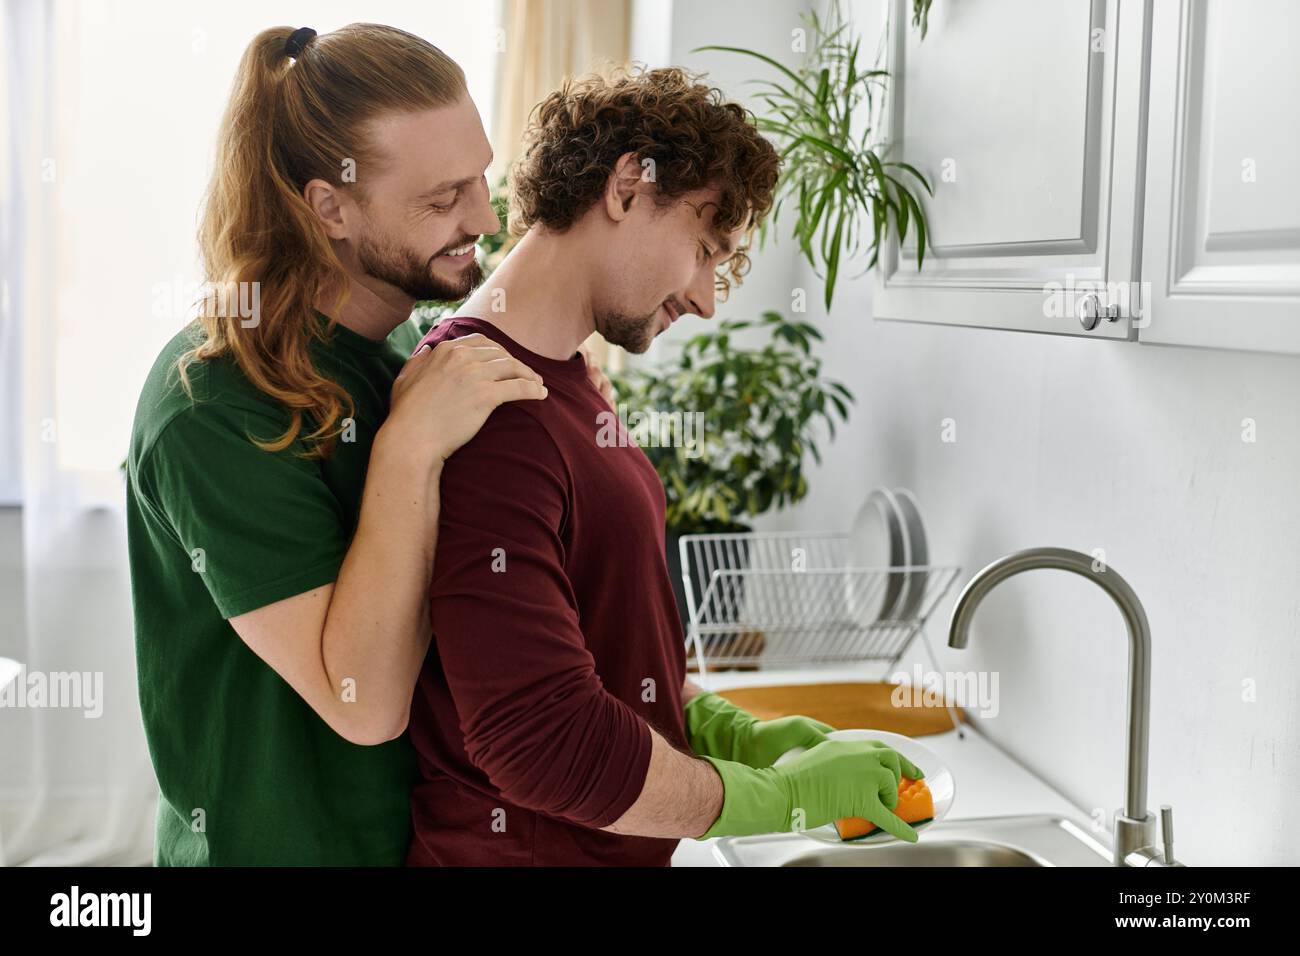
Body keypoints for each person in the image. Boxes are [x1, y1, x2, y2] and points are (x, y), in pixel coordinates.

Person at [406, 67, 923, 866]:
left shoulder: (561, 375)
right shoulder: (484, 405)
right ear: (626, 187)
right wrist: (781, 799)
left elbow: (600, 646)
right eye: (706, 247)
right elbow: (539, 740)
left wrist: (726, 729)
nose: (710, 298)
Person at [125, 23, 552, 865]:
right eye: (441, 199)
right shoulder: (211, 404)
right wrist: (407, 449)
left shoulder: (404, 351)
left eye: (483, 178)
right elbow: (366, 705)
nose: (486, 217)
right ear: (331, 208)